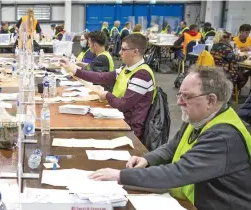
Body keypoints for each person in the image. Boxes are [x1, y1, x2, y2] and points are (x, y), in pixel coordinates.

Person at [88, 67, 251, 210]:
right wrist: (148, 159)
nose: (178, 102)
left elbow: (178, 173)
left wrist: (120, 176)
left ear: (211, 100)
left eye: (186, 96)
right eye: (179, 94)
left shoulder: (222, 136)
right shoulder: (201, 119)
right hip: (195, 200)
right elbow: (174, 145)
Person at [61, 34, 155, 140]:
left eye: (123, 49)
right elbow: (102, 77)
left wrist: (106, 95)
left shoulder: (142, 75)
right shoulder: (127, 68)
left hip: (129, 128)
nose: (120, 52)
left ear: (135, 52)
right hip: (118, 117)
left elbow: (123, 105)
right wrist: (75, 71)